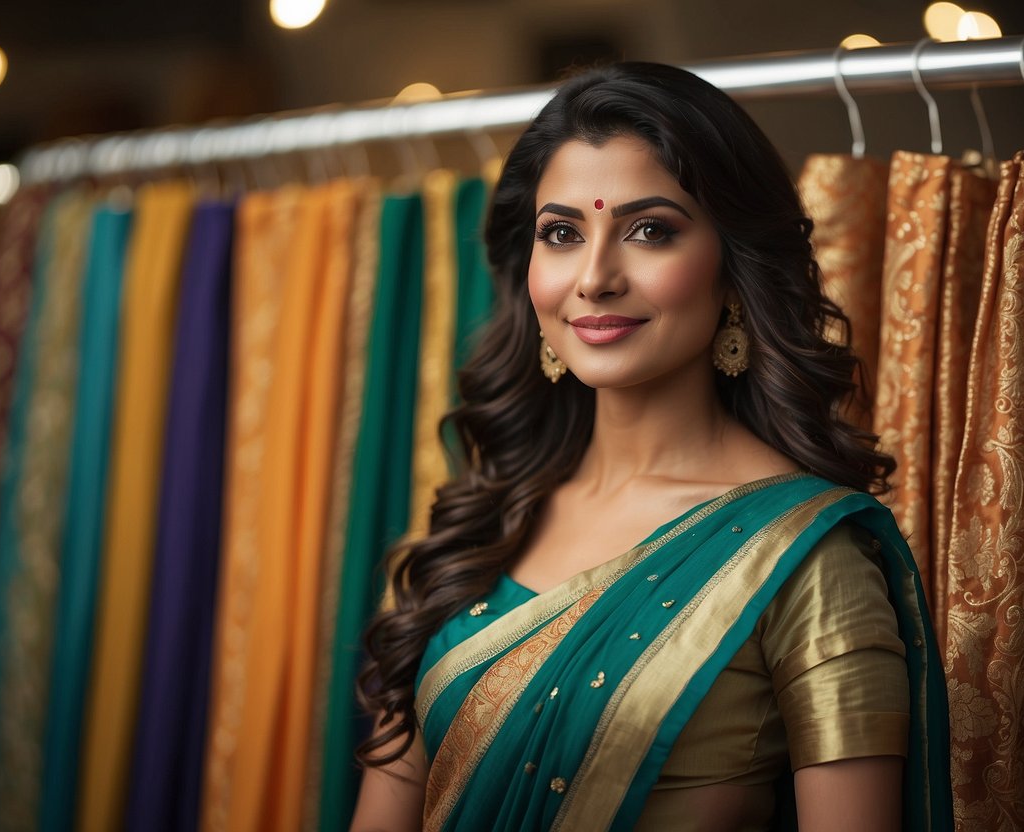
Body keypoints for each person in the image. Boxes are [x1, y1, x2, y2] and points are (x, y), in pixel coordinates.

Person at [350, 62, 950, 832]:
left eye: (649, 230)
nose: (594, 277)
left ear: (733, 269)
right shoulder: (486, 518)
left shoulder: (802, 557)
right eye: (561, 233)